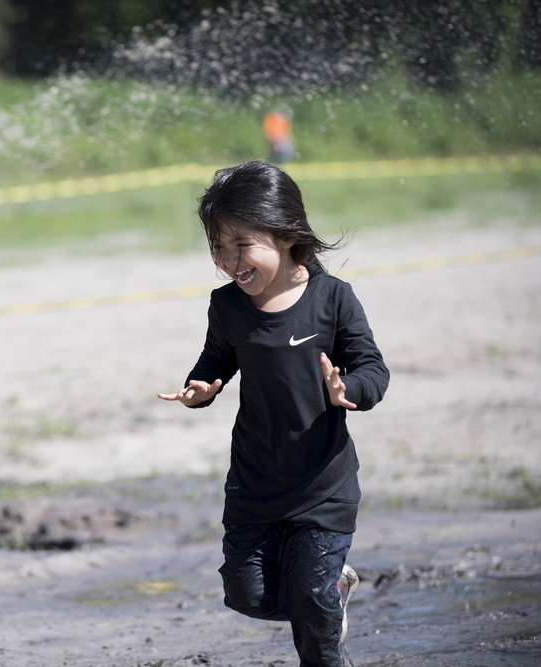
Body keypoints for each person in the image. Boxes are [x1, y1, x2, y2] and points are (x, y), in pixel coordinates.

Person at [158, 161, 389, 666]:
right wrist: (200, 387)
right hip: (255, 480)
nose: (228, 260)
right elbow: (217, 358)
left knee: (311, 606)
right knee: (247, 595)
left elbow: (374, 370)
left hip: (322, 483)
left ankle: (323, 601)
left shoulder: (332, 299)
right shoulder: (227, 307)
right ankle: (332, 589)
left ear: (285, 234)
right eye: (218, 247)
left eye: (241, 244)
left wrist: (348, 388)